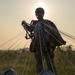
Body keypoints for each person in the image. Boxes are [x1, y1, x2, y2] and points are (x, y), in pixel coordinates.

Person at [21, 7, 66, 75]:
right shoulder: (35, 23)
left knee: (51, 66)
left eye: (41, 13)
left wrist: (44, 27)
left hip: (47, 48)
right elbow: (30, 28)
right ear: (36, 14)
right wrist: (24, 24)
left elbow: (53, 31)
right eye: (38, 13)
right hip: (38, 48)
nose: (39, 14)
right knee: (39, 67)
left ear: (43, 14)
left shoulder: (48, 23)